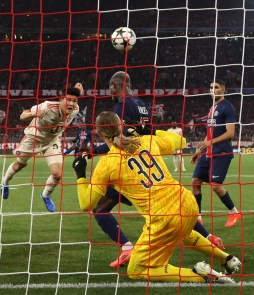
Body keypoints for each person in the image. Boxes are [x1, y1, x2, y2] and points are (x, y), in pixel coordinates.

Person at [72, 111, 241, 283]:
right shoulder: (146, 140)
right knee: (184, 232)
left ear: (99, 134)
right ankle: (226, 259)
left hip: (163, 216)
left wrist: (80, 174)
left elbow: (86, 204)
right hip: (187, 202)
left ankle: (201, 275)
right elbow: (181, 141)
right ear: (121, 126)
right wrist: (147, 129)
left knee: (135, 270)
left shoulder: (107, 164)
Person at [83, 72, 225, 268]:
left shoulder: (121, 105)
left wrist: (93, 151)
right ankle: (208, 236)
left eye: (110, 87)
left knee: (99, 208)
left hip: (129, 168)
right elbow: (146, 132)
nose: (110, 91)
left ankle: (127, 248)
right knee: (174, 207)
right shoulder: (141, 103)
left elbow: (118, 138)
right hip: (147, 163)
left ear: (115, 85)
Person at [0, 83, 82, 212]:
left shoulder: (75, 108)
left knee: (57, 174)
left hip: (52, 141)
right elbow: (23, 116)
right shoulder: (47, 106)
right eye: (69, 100)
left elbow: (73, 100)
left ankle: (45, 195)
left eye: (74, 101)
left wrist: (77, 92)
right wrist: (33, 114)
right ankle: (5, 182)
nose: (71, 104)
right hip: (34, 138)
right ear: (61, 100)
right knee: (19, 165)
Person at [191, 80, 241, 227]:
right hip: (208, 152)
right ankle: (197, 218)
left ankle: (234, 212)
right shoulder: (212, 108)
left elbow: (230, 133)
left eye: (216, 87)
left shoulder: (227, 107)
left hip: (222, 152)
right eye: (211, 87)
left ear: (223, 90)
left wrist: (210, 143)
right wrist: (200, 150)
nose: (213, 89)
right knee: (195, 182)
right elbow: (209, 132)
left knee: (216, 186)